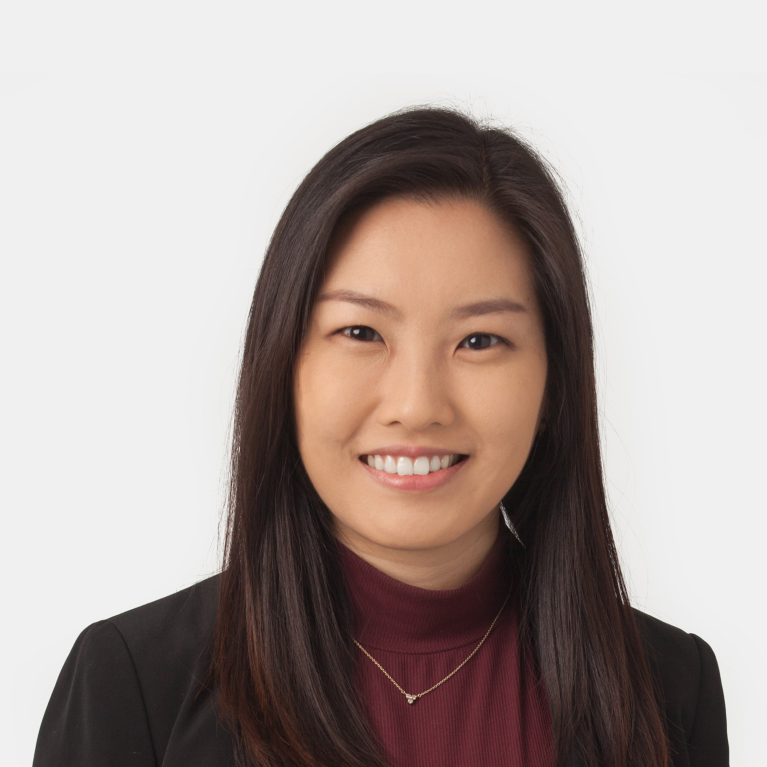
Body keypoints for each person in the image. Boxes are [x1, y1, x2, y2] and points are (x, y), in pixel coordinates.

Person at [33, 107, 729, 767]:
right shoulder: (133, 685)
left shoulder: (671, 689)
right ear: (283, 367)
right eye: (361, 332)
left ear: (554, 384)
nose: (416, 405)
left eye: (480, 340)